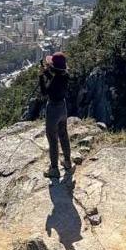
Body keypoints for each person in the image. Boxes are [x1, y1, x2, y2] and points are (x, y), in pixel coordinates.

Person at [39, 51, 73, 180]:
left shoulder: (54, 82)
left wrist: (41, 76)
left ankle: (54, 169)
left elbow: (44, 92)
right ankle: (68, 161)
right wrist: (47, 72)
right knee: (63, 134)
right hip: (62, 107)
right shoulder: (65, 76)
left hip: (53, 109)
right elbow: (55, 79)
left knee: (52, 138)